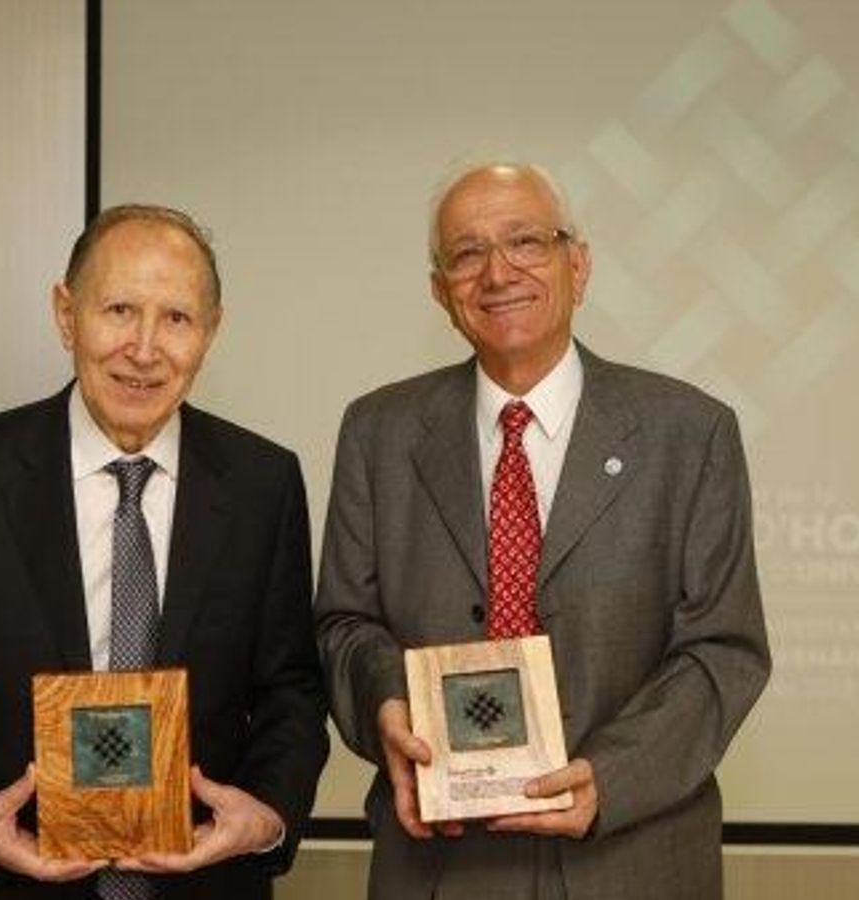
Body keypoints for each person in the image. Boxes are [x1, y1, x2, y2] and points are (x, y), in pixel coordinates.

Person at [315, 163, 771, 899]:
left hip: (631, 857)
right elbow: (343, 624)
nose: (498, 272)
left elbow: (724, 649)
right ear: (441, 291)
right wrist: (387, 701)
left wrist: (610, 776)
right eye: (466, 254)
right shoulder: (378, 432)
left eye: (526, 241)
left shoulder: (690, 433)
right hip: (437, 862)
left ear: (578, 265)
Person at [0, 204, 328, 899]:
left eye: (177, 319)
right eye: (120, 310)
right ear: (66, 315)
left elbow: (291, 687)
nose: (144, 347)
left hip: (207, 883)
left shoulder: (264, 483)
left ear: (212, 332)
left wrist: (266, 813)